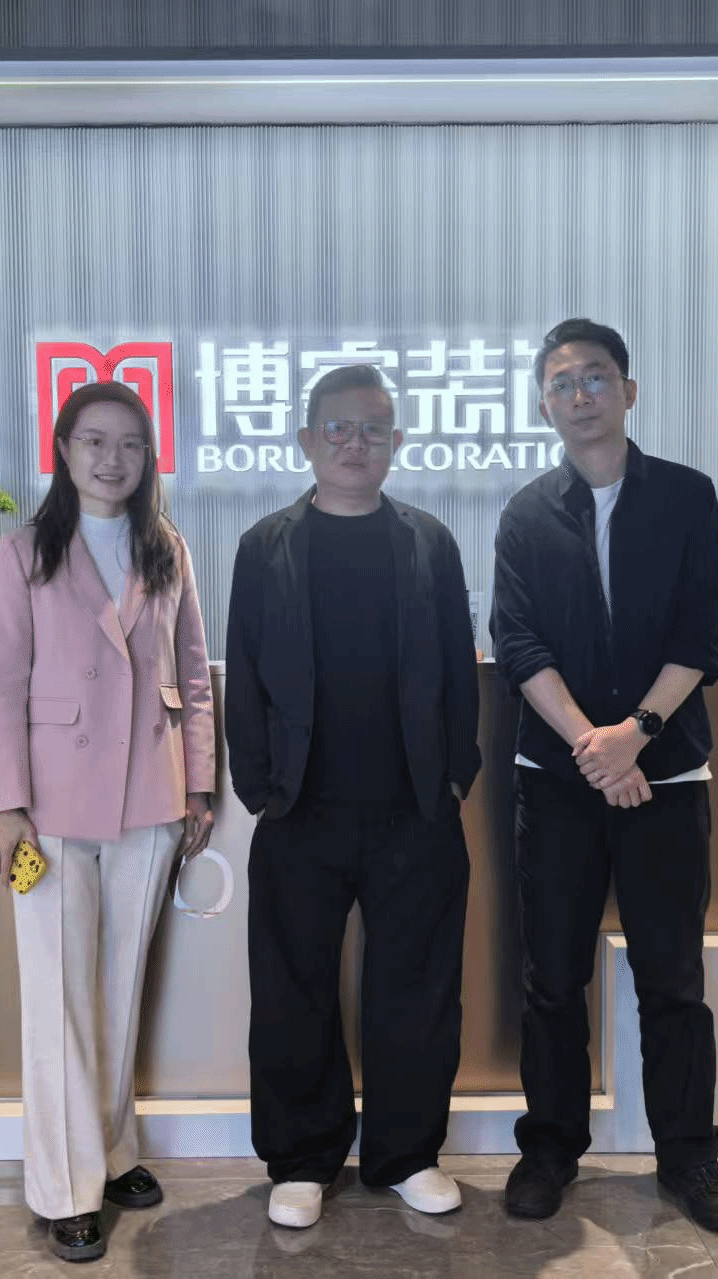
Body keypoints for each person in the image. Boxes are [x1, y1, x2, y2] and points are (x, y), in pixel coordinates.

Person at [490, 319, 718, 1232]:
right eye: (562, 383)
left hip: (664, 775)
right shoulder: (526, 514)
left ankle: (689, 1156)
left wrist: (634, 735)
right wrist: (594, 748)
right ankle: (550, 1149)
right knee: (552, 977)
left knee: (671, 977)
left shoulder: (685, 496)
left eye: (596, 377)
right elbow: (517, 641)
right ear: (544, 405)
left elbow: (701, 631)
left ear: (629, 391)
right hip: (559, 779)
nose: (581, 394)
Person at [225, 363, 482, 1229]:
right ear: (307, 440)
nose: (355, 443)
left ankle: (407, 1153)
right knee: (291, 988)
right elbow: (244, 673)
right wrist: (258, 787)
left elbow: (458, 671)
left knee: (418, 988)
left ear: (396, 441)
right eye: (338, 428)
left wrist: (457, 774)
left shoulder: (429, 542)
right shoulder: (264, 546)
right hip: (301, 808)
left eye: (373, 428)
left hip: (415, 807)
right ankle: (302, 1159)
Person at [0, 380, 217, 1263]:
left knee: (119, 989)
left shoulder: (167, 548)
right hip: (51, 805)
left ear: (147, 456)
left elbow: (194, 673)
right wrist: (4, 803)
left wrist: (199, 785)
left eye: (129, 444)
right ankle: (65, 1188)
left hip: (151, 794)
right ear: (64, 449)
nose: (112, 459)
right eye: (94, 441)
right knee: (58, 998)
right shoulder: (25, 551)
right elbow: (0, 685)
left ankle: (111, 1152)